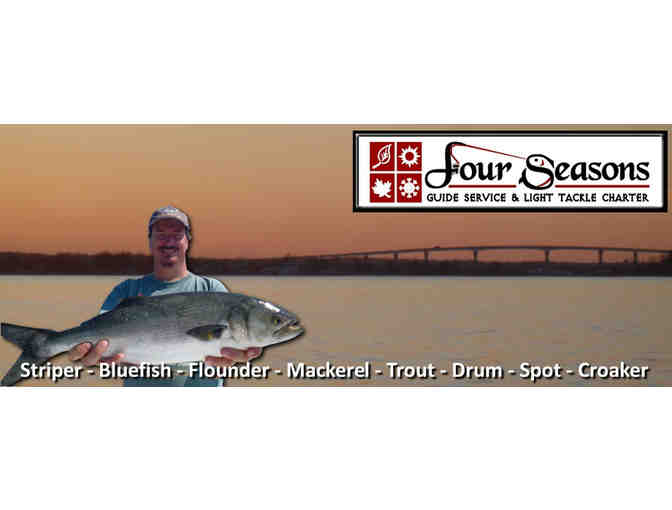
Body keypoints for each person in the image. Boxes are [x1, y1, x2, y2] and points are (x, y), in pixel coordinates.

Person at [68, 206, 261, 386]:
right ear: (150, 241)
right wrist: (92, 354)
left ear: (187, 241)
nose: (169, 241)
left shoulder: (211, 289)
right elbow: (98, 336)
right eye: (161, 234)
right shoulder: (126, 290)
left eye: (177, 235)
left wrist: (236, 357)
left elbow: (229, 346)